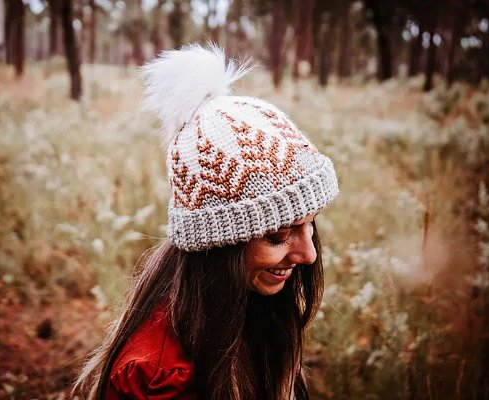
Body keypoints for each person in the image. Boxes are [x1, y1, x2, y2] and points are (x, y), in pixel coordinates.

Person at [74, 44, 339, 400]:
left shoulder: (252, 303)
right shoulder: (158, 379)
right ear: (217, 246)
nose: (308, 254)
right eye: (277, 236)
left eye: (310, 225)